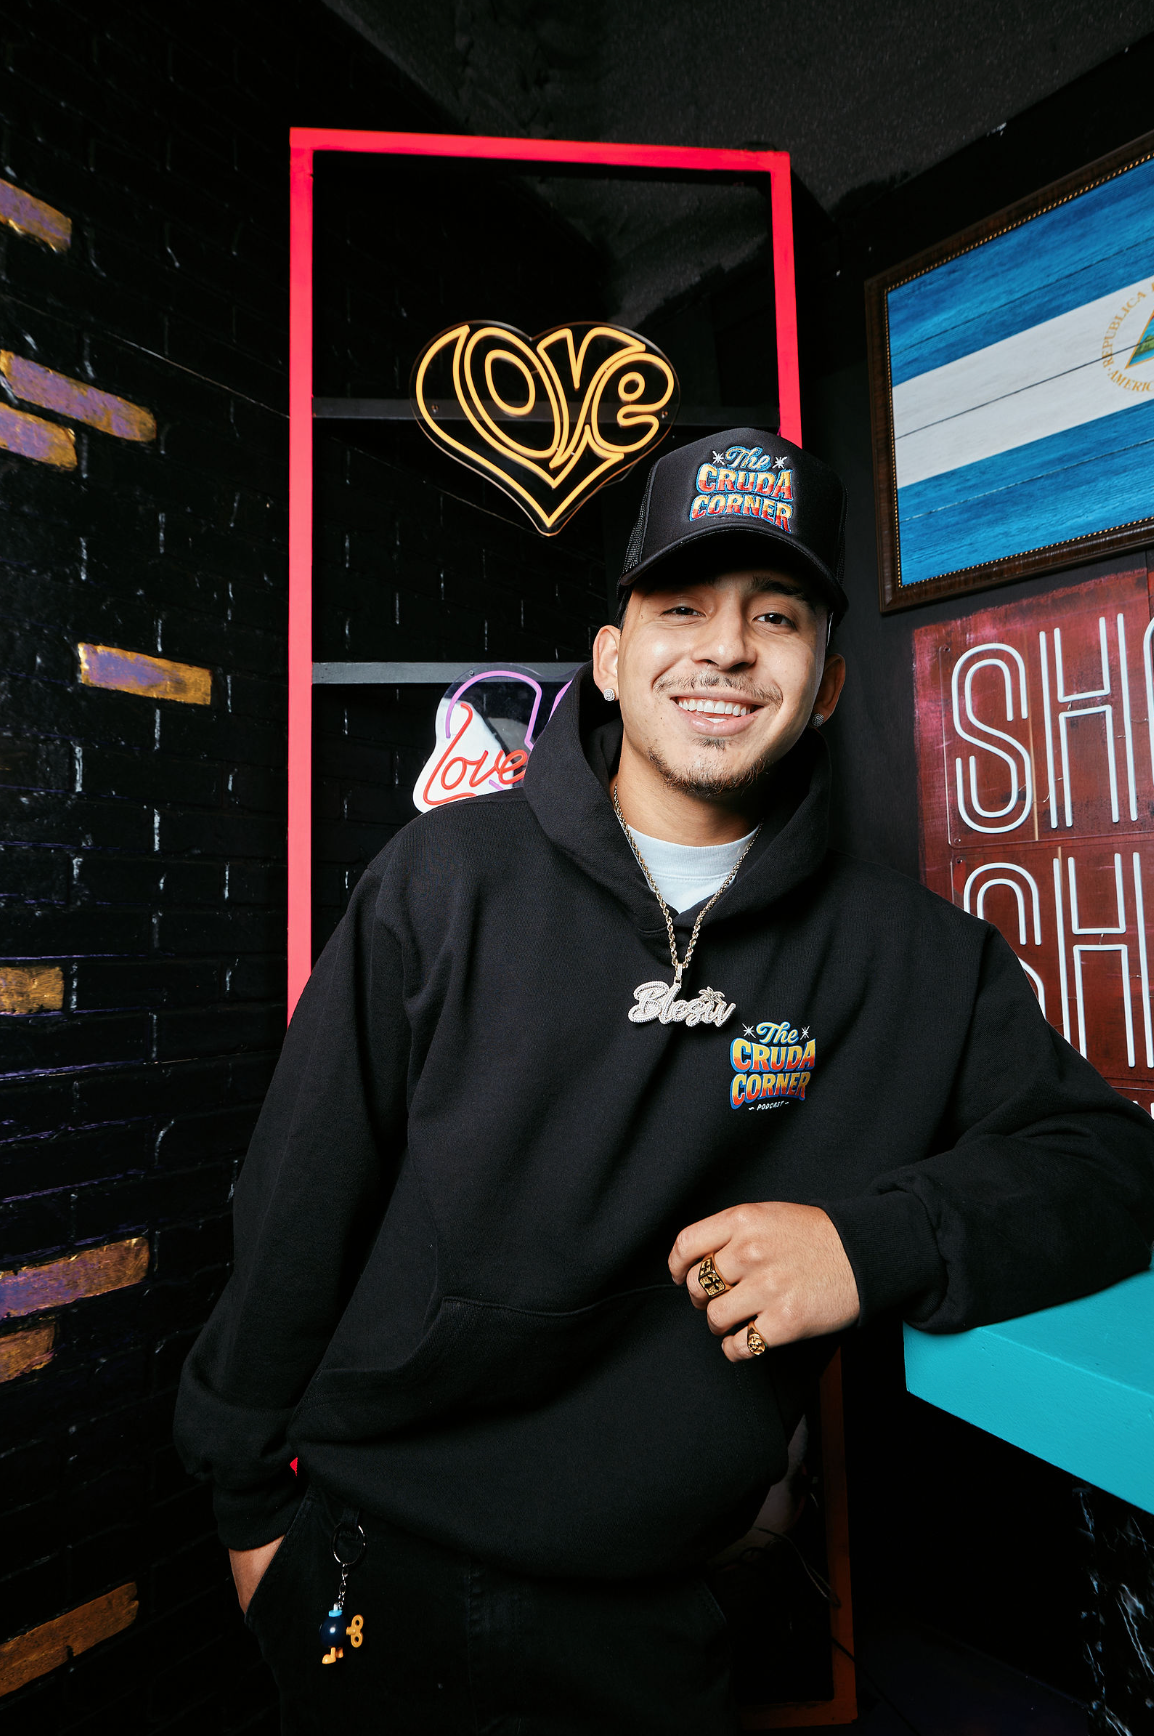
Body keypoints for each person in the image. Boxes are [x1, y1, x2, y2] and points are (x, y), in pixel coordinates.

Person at [175, 427, 1154, 1734]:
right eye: (681, 606)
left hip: (657, 1602)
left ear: (825, 683)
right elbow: (300, 1196)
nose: (726, 648)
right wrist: (250, 1508)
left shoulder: (916, 958)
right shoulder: (444, 881)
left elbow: (1109, 1167)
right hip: (377, 1557)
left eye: (775, 616)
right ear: (609, 658)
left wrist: (871, 1246)